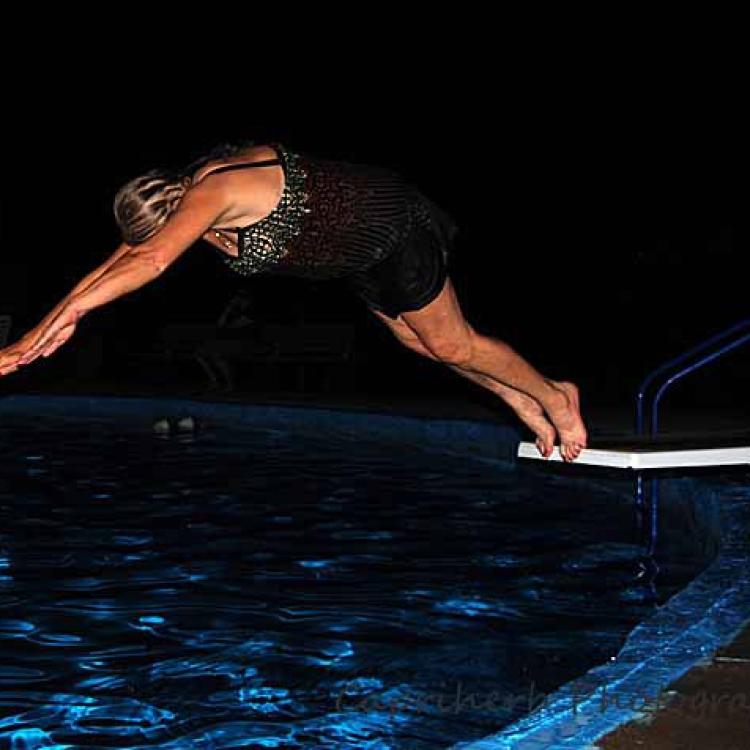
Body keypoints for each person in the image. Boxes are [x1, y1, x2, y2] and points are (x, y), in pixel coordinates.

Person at [0, 139, 587, 461]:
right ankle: (522, 398)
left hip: (391, 230)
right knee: (427, 347)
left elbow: (149, 262)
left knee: (450, 341)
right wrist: (35, 337)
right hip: (357, 259)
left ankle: (554, 396)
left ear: (175, 214)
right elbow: (119, 263)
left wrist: (65, 320)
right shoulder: (181, 207)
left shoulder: (216, 190)